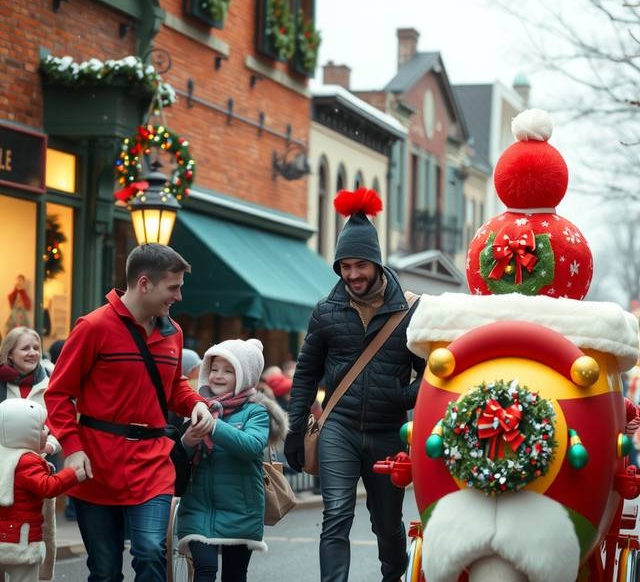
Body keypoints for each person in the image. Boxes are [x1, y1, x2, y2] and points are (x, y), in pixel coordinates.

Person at [45, 244, 216, 582]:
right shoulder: (92, 327)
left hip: (152, 465)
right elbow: (59, 393)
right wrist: (74, 449)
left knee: (151, 551)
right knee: (105, 571)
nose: (178, 297)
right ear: (144, 283)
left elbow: (174, 386)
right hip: (97, 466)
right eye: (173, 287)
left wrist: (196, 403)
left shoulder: (174, 333)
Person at [283, 189, 423, 582]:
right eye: (345, 266)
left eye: (361, 265)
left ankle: (393, 576)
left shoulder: (411, 311)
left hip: (387, 433)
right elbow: (307, 373)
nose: (353, 275)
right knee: (337, 515)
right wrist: (296, 430)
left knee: (387, 525)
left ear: (376, 263)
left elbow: (432, 373)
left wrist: (402, 396)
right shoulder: (326, 311)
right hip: (338, 427)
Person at [175, 338, 288, 582]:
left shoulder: (256, 410)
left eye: (228, 370)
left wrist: (213, 426)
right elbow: (178, 458)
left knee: (234, 576)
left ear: (244, 375)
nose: (217, 375)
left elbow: (252, 446)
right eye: (213, 368)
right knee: (204, 570)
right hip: (197, 507)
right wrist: (188, 441)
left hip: (241, 510)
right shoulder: (196, 406)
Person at [0, 398, 86, 582]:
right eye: (40, 428)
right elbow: (47, 487)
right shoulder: (26, 461)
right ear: (23, 432)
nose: (46, 431)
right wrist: (72, 474)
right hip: (22, 542)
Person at [0, 327, 61, 456]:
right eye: (25, 348)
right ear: (10, 353)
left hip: (40, 466)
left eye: (36, 348)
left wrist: (49, 447)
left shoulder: (52, 384)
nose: (33, 353)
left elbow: (61, 425)